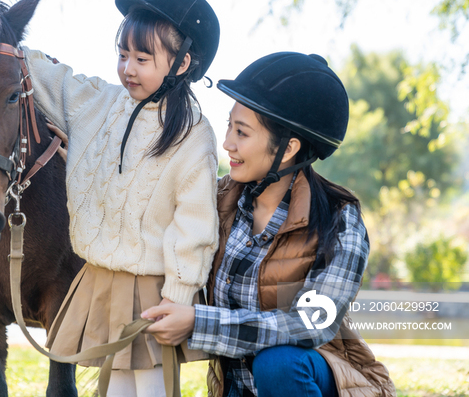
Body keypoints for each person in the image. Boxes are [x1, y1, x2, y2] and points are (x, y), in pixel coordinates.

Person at [140, 52, 396, 397]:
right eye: (229, 126)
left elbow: (310, 323)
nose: (227, 143)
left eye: (242, 132)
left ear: (288, 148)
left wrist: (199, 323)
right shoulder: (216, 200)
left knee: (278, 363)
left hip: (310, 381)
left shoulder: (339, 219)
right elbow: (148, 207)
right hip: (236, 387)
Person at [25, 0, 221, 396]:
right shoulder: (98, 102)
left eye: (142, 58)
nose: (127, 68)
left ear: (183, 63)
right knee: (113, 391)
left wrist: (179, 297)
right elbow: (49, 78)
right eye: (123, 55)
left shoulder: (193, 134)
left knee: (148, 389)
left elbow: (195, 225)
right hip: (98, 279)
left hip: (153, 290)